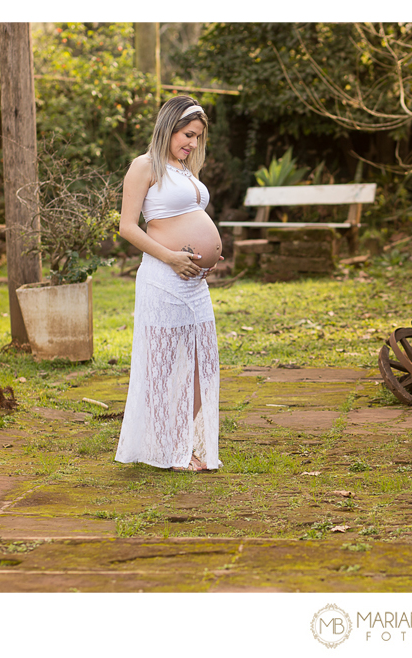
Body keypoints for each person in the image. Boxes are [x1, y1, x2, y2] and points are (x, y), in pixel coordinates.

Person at [115, 96, 223, 472]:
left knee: (199, 366)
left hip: (193, 282)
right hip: (163, 278)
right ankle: (172, 449)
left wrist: (208, 253)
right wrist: (173, 256)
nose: (192, 144)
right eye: (187, 134)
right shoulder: (145, 166)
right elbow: (127, 227)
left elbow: (189, 218)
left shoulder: (183, 169)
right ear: (168, 127)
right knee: (162, 366)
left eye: (197, 138)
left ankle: (179, 441)